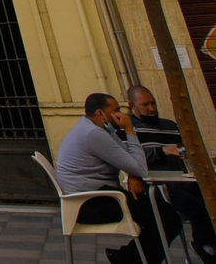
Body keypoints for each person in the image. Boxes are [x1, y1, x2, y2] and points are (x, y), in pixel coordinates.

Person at [127, 85, 216, 261]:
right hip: (159, 185)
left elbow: (186, 150)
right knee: (194, 206)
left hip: (187, 180)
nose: (152, 109)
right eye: (145, 105)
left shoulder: (170, 126)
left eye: (153, 103)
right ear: (132, 105)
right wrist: (162, 150)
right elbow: (130, 158)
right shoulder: (128, 128)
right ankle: (205, 244)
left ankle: (210, 243)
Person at [56, 92, 180, 264]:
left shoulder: (98, 128)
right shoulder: (93, 134)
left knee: (162, 213)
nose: (122, 115)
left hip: (99, 196)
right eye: (117, 110)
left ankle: (127, 257)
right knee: (166, 217)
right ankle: (129, 259)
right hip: (90, 204)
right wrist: (130, 130)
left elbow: (128, 158)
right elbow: (140, 167)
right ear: (101, 113)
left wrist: (132, 173)